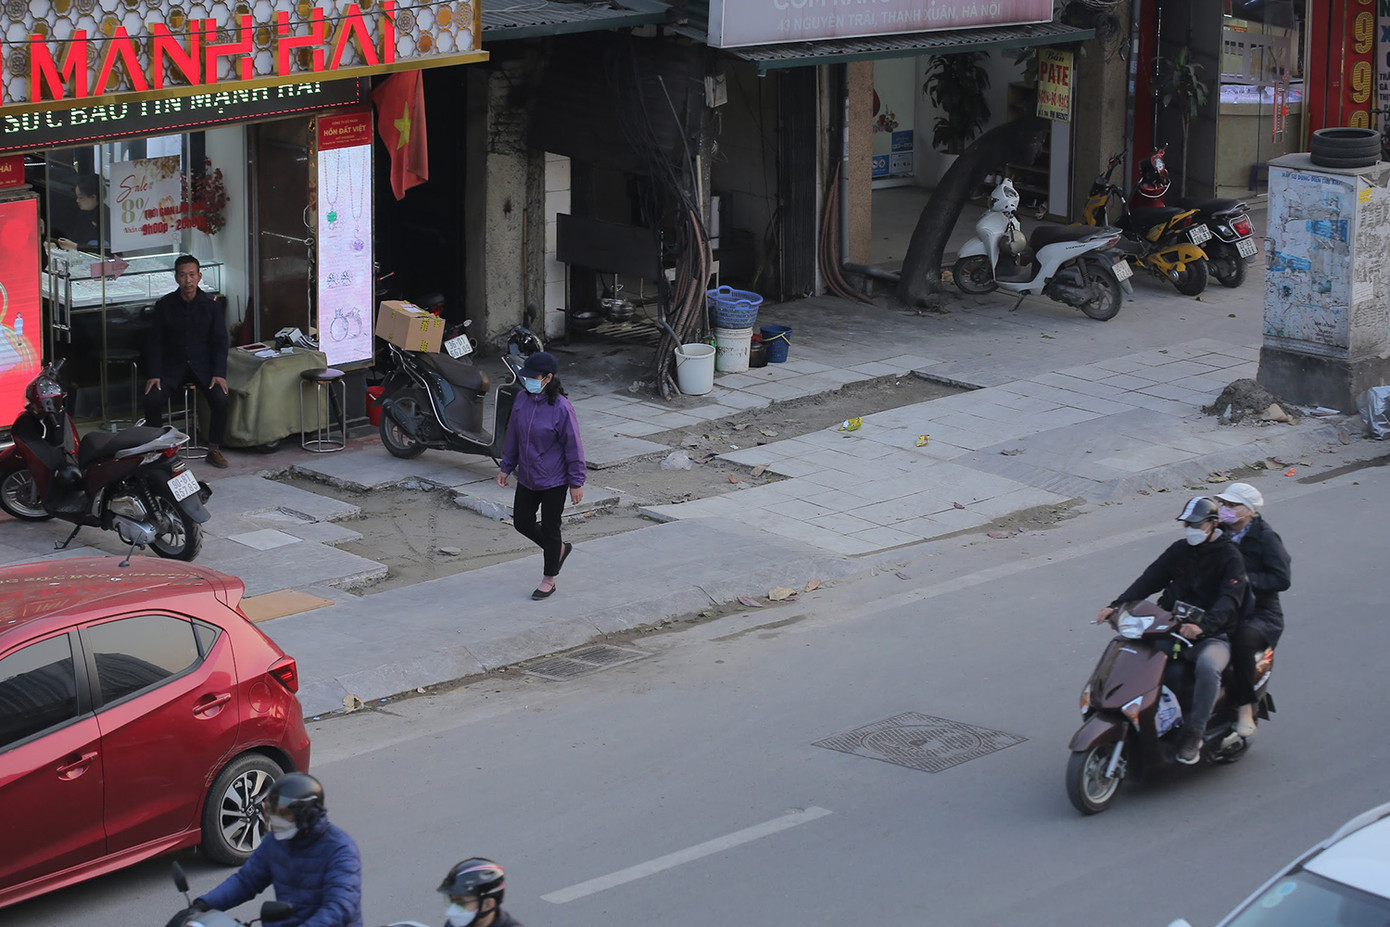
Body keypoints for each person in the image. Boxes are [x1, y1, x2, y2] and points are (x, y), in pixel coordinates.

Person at [1096, 497, 1248, 765]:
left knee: (1208, 667)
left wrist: (1203, 627)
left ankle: (1194, 734)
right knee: (1136, 653)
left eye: (1195, 524)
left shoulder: (1230, 557)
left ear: (1212, 525)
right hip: (1170, 627)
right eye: (1186, 524)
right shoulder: (1180, 550)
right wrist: (1116, 605)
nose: (1189, 529)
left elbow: (1229, 600)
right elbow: (1150, 578)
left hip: (1212, 635)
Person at [174, 773, 363, 927]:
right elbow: (246, 881)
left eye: (284, 813)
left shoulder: (341, 850)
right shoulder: (276, 842)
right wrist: (203, 905)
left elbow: (340, 907)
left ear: (307, 814)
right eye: (273, 811)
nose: (275, 819)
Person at [496, 351, 586, 600]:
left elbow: (573, 445)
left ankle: (549, 578)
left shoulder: (562, 407)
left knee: (550, 527)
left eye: (532, 377)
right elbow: (512, 433)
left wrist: (576, 482)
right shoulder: (522, 400)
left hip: (554, 479)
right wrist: (506, 466)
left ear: (548, 378)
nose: (527, 381)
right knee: (522, 522)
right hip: (527, 475)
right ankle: (558, 550)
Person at [1214, 482, 1291, 737]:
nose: (1225, 509)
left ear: (1248, 511)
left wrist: (1248, 580)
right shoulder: (1219, 533)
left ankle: (1246, 708)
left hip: (1260, 613)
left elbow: (1281, 579)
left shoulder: (1266, 538)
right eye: (1224, 504)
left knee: (1241, 643)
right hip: (1226, 606)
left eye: (1232, 505)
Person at [144, 254, 231, 468]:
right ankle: (159, 449)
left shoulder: (211, 305)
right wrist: (154, 373)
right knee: (151, 398)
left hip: (203, 367)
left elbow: (220, 341)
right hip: (172, 367)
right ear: (176, 278)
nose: (188, 280)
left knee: (221, 399)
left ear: (199, 276)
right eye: (183, 275)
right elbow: (155, 342)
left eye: (192, 275)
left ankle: (214, 448)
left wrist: (219, 373)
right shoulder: (165, 305)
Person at [437, 858, 524, 927]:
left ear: (488, 904)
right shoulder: (455, 924)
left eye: (461, 902)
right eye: (451, 901)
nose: (451, 911)